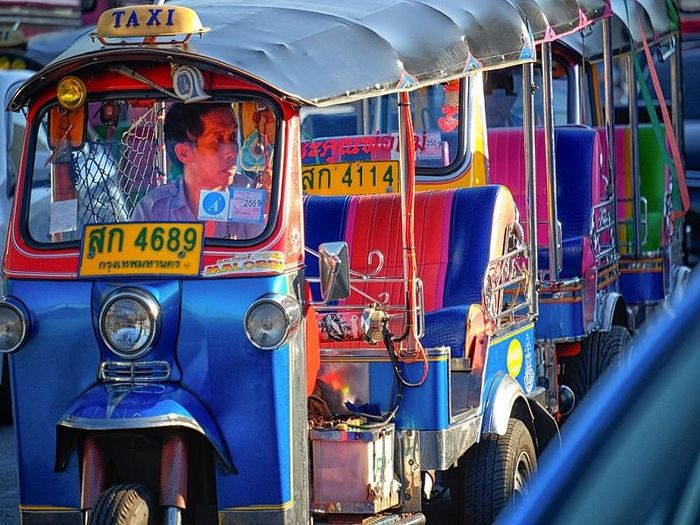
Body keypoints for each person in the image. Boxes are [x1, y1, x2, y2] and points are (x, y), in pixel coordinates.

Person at [131, 102, 269, 239]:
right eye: (217, 140)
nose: (232, 151)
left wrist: (271, 206)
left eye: (233, 136)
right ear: (184, 153)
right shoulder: (154, 211)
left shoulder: (250, 196)